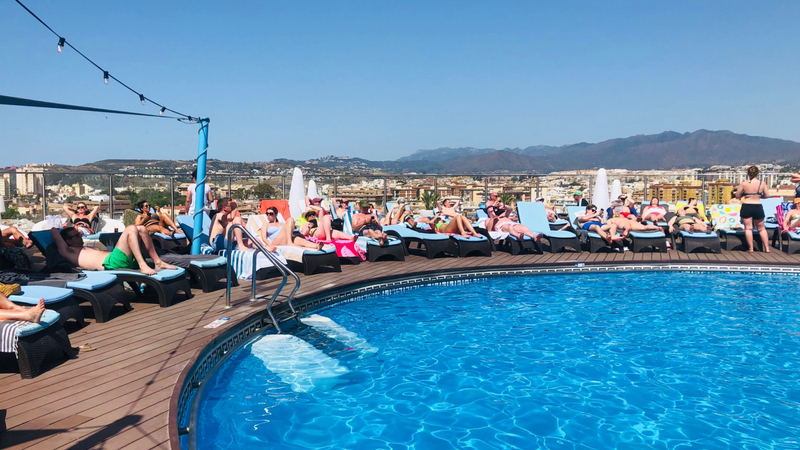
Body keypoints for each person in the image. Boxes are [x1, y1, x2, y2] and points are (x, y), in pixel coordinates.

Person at [50, 225, 177, 275]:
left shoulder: (85, 248)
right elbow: (54, 231)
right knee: (131, 229)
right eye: (77, 235)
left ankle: (158, 262)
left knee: (142, 229)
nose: (80, 235)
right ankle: (142, 264)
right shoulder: (68, 251)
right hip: (112, 264)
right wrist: (61, 226)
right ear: (68, 241)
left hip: (119, 259)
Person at [734, 165, 771, 253]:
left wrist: (745, 195)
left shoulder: (744, 184)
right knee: (761, 228)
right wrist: (759, 196)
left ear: (748, 174)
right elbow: (767, 195)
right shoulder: (762, 183)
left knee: (748, 228)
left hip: (747, 205)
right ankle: (767, 248)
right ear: (757, 173)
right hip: (758, 205)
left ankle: (751, 248)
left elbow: (737, 195)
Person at [254, 207, 322, 251]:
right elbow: (264, 237)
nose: (269, 215)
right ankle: (289, 242)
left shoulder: (282, 223)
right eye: (267, 214)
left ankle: (317, 246)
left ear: (276, 215)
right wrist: (270, 245)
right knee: (290, 219)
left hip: (286, 238)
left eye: (271, 213)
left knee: (302, 241)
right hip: (276, 241)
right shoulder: (265, 224)